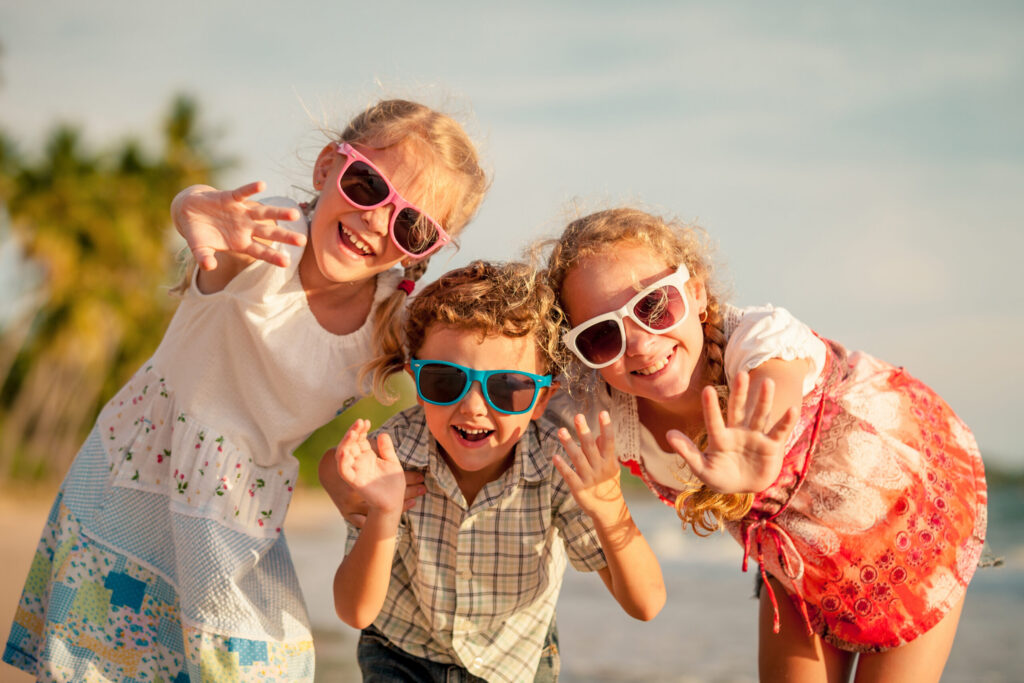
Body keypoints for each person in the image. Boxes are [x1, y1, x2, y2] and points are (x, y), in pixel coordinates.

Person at [2, 98, 488, 683]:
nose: (377, 222)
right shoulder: (268, 237)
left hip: (242, 506)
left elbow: (472, 372)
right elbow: (208, 226)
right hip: (141, 474)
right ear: (327, 169)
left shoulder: (388, 323)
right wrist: (190, 207)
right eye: (367, 186)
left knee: (255, 667)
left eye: (412, 224)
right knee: (107, 661)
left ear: (426, 250)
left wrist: (346, 484)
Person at [541, 207, 987, 683]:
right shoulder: (604, 409)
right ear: (581, 353)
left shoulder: (755, 338)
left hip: (910, 517)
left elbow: (773, 386)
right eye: (603, 334)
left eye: (654, 306)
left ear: (696, 294)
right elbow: (511, 384)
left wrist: (758, 449)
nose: (641, 343)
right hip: (801, 559)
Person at [323, 261, 665, 682]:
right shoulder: (395, 456)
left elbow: (645, 604)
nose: (472, 407)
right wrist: (384, 515)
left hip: (514, 663)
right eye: (446, 381)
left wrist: (611, 509)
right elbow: (355, 611)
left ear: (542, 399)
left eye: (507, 388)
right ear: (416, 379)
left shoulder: (557, 468)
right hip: (402, 651)